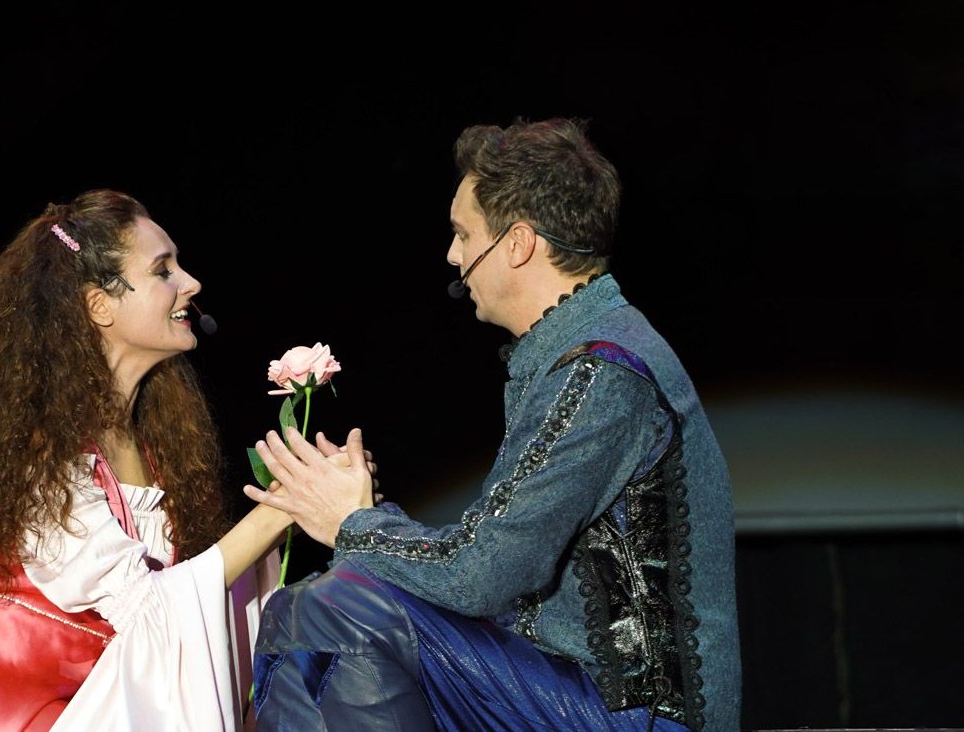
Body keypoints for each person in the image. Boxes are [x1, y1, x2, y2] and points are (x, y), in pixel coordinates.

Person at [242, 117, 742, 732]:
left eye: (462, 233)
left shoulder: (602, 370)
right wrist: (365, 528)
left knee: (338, 605)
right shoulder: (573, 354)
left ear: (517, 243)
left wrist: (355, 523)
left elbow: (484, 573)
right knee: (296, 608)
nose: (453, 255)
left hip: (637, 712)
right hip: (571, 688)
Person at [0, 188, 293, 731]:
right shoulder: (42, 462)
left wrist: (302, 503)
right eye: (163, 270)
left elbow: (173, 623)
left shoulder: (154, 446)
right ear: (99, 305)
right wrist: (285, 507)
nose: (191, 283)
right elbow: (151, 614)